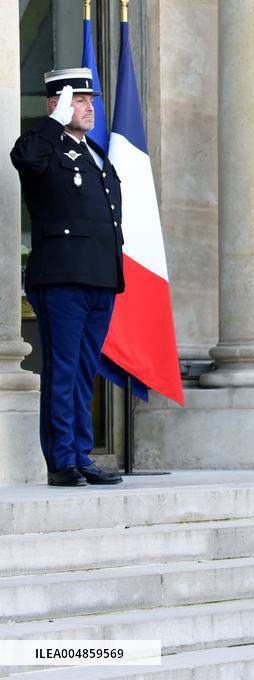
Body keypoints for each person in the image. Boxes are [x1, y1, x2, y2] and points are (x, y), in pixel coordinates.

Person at [9, 68, 124, 487]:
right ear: (55, 104)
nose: (89, 106)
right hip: (61, 278)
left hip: (98, 278)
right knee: (62, 370)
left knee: (82, 371)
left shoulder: (95, 154)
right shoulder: (44, 147)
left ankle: (81, 454)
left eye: (90, 99)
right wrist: (54, 123)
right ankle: (61, 461)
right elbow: (25, 160)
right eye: (79, 99)